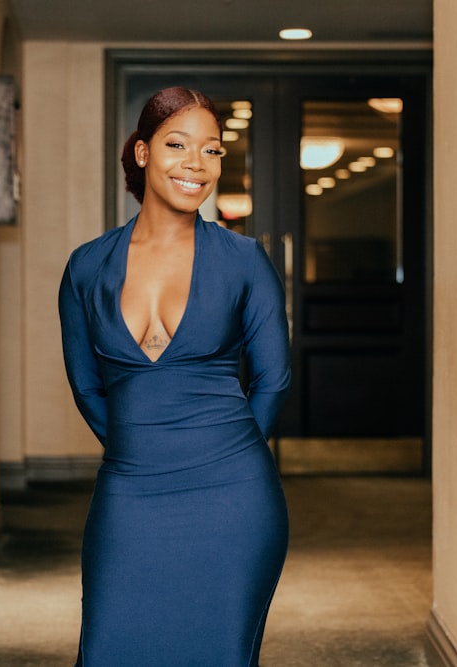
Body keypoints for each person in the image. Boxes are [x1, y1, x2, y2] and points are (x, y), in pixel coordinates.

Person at [58, 86, 291, 666]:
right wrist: (140, 447)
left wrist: (226, 455)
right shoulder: (87, 265)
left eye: (212, 151)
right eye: (178, 145)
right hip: (130, 492)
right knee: (111, 648)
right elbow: (86, 384)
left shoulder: (243, 261)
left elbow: (274, 379)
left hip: (233, 497)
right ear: (142, 153)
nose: (196, 164)